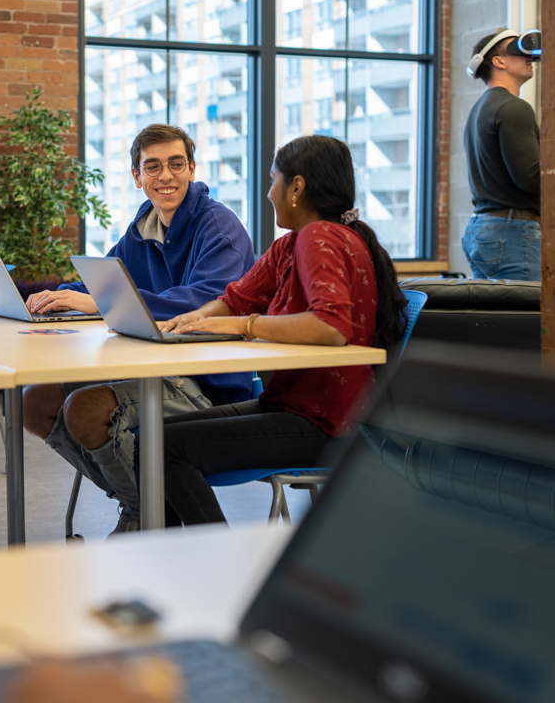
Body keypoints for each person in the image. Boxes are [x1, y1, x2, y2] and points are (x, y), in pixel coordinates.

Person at [158, 135, 405, 526]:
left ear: (297, 187)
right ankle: (168, 556)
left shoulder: (319, 237)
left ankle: (219, 566)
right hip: (297, 407)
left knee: (165, 448)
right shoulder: (293, 243)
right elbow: (237, 298)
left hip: (328, 423)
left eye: (273, 180)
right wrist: (196, 319)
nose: (269, 192)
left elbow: (331, 326)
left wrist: (245, 326)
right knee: (152, 438)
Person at [21, 124, 254, 535]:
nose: (166, 176)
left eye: (176, 164)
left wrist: (99, 302)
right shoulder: (143, 227)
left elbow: (204, 302)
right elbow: (109, 282)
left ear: (193, 168)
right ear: (137, 176)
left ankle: (145, 520)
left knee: (85, 409)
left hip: (210, 382)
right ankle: (145, 508)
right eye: (153, 167)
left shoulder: (219, 226)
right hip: (154, 368)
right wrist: (59, 295)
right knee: (35, 401)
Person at [461, 28, 541, 281]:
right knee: (526, 320)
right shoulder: (513, 107)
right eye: (518, 50)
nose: (530, 57)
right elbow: (530, 178)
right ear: (499, 61)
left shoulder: (478, 110)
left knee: (495, 320)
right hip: (512, 232)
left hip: (482, 230)